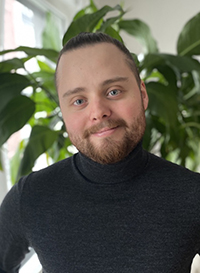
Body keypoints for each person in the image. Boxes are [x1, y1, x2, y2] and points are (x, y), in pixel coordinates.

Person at [0, 32, 200, 273]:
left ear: (143, 94)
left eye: (113, 91)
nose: (98, 112)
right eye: (78, 101)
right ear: (63, 114)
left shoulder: (192, 194)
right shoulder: (30, 197)